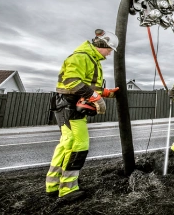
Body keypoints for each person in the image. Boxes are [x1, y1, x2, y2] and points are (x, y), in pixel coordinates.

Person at [46, 29, 119, 201]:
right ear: (103, 44)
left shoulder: (90, 59)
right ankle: (68, 189)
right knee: (79, 143)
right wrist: (95, 98)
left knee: (66, 144)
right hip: (69, 106)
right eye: (109, 49)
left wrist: (106, 92)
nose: (109, 54)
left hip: (68, 106)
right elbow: (71, 81)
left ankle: (53, 186)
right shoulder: (82, 56)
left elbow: (88, 85)